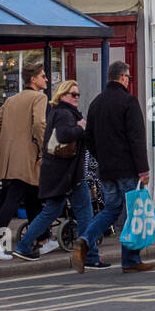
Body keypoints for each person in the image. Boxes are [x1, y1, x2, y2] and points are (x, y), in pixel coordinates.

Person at [14, 80, 108, 268]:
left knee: (53, 212)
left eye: (78, 95)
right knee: (84, 214)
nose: (76, 98)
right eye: (73, 94)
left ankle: (24, 245)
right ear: (63, 95)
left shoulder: (59, 112)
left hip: (62, 174)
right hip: (67, 175)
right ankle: (88, 256)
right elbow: (64, 135)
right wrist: (81, 127)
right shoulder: (65, 113)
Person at [72, 61, 153, 274]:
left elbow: (88, 138)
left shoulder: (96, 103)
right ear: (123, 77)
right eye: (129, 78)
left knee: (111, 209)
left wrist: (102, 158)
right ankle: (130, 260)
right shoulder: (129, 102)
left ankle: (85, 240)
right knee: (132, 213)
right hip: (128, 169)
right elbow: (137, 138)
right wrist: (143, 170)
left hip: (106, 170)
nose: (129, 81)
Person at [0, 64, 48, 261]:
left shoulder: (12, 100)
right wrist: (44, 147)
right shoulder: (40, 97)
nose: (46, 80)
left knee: (33, 197)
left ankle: (42, 240)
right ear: (33, 80)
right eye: (43, 76)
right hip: (29, 156)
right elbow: (39, 124)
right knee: (13, 199)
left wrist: (8, 143)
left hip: (11, 157)